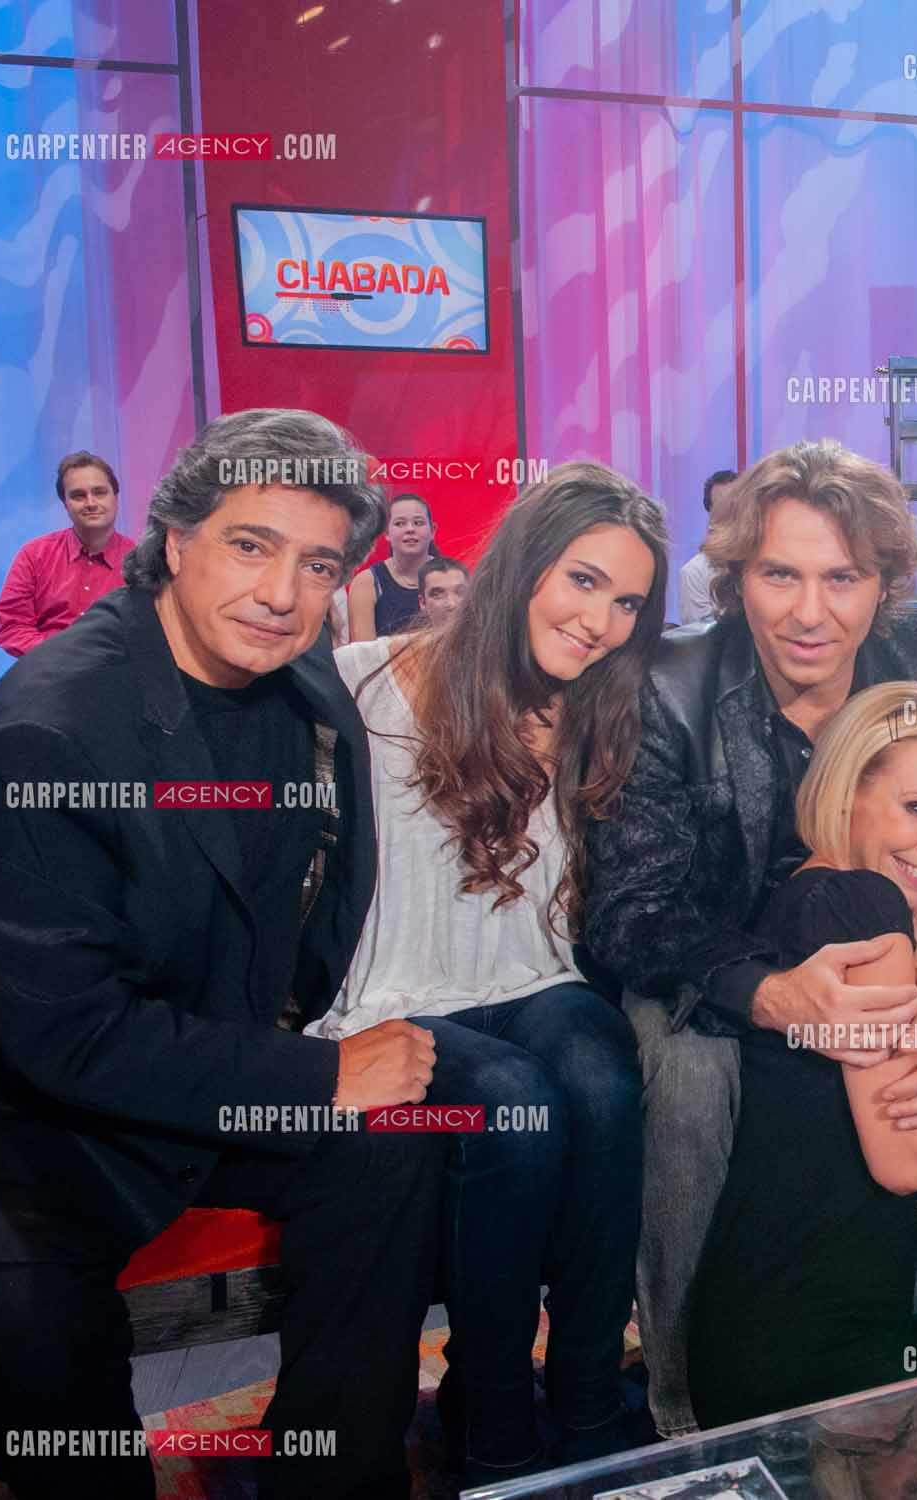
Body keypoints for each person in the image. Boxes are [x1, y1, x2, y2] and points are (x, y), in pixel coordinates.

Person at [0, 409, 446, 1500]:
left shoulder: (307, 692)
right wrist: (316, 1074)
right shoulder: (52, 728)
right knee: (20, 1324)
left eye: (317, 565)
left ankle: (328, 1479)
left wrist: (302, 1035)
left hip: (196, 1059)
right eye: (251, 546)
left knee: (393, 1138)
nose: (281, 595)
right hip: (24, 1111)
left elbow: (331, 887)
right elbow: (65, 1036)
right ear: (175, 541)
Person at [580, 439, 917, 1439]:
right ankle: (693, 1420)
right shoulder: (663, 685)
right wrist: (772, 994)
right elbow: (632, 911)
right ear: (736, 580)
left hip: (905, 971)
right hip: (721, 981)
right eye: (780, 575)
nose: (810, 613)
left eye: (843, 578)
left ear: (887, 585)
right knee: (685, 1072)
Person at [310, 463, 665, 1479]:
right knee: (514, 1105)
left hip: (532, 975)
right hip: (391, 993)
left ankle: (591, 1402)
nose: (602, 619)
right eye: (584, 580)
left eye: (630, 600)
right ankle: (491, 1413)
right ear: (523, 567)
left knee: (600, 1074)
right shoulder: (363, 679)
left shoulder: (606, 709)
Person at [688, 681, 917, 1425]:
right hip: (804, 1340)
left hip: (788, 1317)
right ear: (847, 790)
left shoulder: (807, 892)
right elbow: (907, 1162)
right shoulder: (864, 905)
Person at [0, 450, 133, 656]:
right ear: (64, 504)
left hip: (116, 674)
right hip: (49, 675)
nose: (91, 503)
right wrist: (63, 658)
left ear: (115, 497)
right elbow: (11, 627)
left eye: (99, 492)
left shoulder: (140, 562)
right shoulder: (34, 555)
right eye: (78, 496)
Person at [349, 491, 442, 639]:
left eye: (418, 523)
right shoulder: (367, 583)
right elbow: (363, 655)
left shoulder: (452, 575)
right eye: (400, 523)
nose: (410, 529)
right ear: (386, 533)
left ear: (433, 531)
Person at [677, 468, 738, 626]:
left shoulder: (764, 561)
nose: (729, 512)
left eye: (735, 504)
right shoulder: (694, 573)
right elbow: (701, 641)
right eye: (721, 506)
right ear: (710, 513)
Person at [417, 554, 471, 627]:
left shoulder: (488, 637)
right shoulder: (409, 638)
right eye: (438, 595)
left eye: (460, 592)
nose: (452, 604)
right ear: (423, 603)